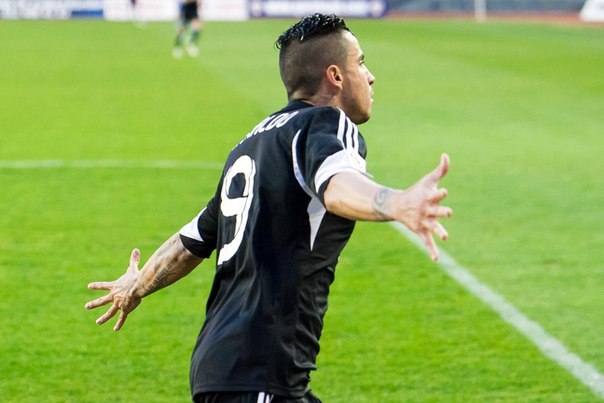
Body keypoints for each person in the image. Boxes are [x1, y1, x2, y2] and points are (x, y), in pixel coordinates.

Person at [86, 13, 452, 403]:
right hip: (260, 371)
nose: (371, 76)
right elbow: (336, 184)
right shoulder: (327, 123)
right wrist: (396, 202)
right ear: (335, 76)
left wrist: (137, 286)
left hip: (223, 368)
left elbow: (190, 242)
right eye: (360, 63)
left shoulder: (249, 145)